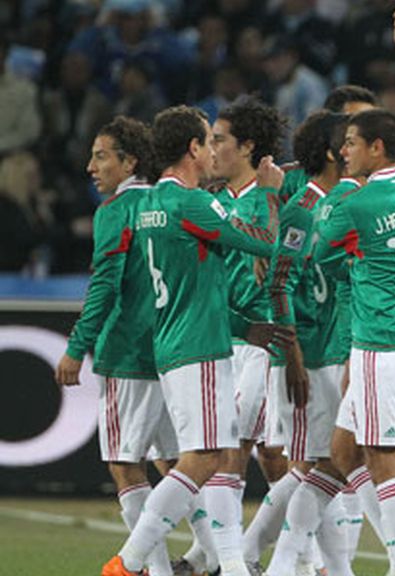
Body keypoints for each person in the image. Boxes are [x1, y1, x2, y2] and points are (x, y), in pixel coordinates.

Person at [101, 105, 287, 576]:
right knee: (203, 459)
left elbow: (195, 286)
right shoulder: (192, 204)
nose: (211, 151)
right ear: (192, 149)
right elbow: (267, 241)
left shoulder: (149, 205)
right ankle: (129, 562)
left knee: (215, 457)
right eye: (207, 141)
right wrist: (270, 193)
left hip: (176, 342)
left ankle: (230, 564)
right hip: (198, 347)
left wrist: (243, 328)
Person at [314, 9, 395, 576]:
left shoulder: (357, 201)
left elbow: (317, 246)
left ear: (375, 147)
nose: (343, 152)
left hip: (381, 342)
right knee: (345, 454)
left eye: (350, 143)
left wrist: (335, 190)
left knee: (384, 457)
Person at [165, 96, 290, 576]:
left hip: (260, 341)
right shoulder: (213, 200)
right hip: (219, 339)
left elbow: (291, 255)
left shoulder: (272, 196)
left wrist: (274, 229)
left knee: (234, 451)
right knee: (259, 458)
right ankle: (224, 556)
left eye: (219, 140)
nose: (211, 148)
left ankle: (233, 561)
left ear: (248, 147)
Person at [55, 117, 178, 576]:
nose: (91, 167)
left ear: (130, 162)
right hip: (173, 351)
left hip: (128, 353)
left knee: (125, 465)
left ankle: (154, 570)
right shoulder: (169, 203)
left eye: (101, 156)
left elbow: (105, 286)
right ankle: (223, 558)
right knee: (180, 467)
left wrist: (77, 346)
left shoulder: (115, 211)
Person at [263, 109, 354, 576]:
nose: (354, 147)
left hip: (333, 350)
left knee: (331, 465)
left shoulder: (345, 202)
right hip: (308, 355)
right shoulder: (304, 208)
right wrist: (293, 355)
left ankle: (326, 569)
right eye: (347, 140)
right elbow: (279, 283)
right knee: (316, 465)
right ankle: (272, 563)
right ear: (331, 153)